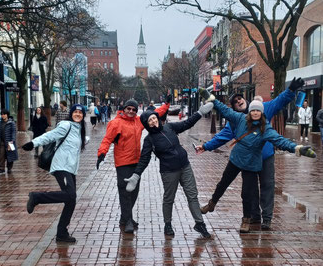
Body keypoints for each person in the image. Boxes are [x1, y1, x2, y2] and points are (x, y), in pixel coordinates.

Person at [197, 78, 304, 230]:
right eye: (235, 101)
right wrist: (206, 146)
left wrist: (291, 90)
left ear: (246, 100)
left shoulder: (264, 109)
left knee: (267, 186)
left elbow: (280, 102)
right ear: (235, 107)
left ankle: (266, 219)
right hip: (245, 160)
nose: (238, 101)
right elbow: (221, 136)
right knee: (250, 190)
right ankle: (253, 217)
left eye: (240, 98)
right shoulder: (236, 120)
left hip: (265, 157)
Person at [124, 103, 214, 238]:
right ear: (147, 124)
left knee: (192, 195)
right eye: (150, 120)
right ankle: (167, 224)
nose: (153, 121)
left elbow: (186, 124)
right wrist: (136, 175)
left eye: (154, 118)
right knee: (169, 199)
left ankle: (199, 223)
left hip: (185, 166)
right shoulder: (149, 140)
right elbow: (144, 159)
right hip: (169, 171)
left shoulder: (169, 127)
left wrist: (199, 113)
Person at [96, 98, 170, 233]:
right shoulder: (115, 123)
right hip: (123, 163)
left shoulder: (138, 121)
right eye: (128, 109)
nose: (131, 111)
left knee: (134, 192)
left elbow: (156, 113)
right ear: (124, 109)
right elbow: (107, 139)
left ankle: (125, 217)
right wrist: (101, 153)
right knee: (125, 192)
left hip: (136, 162)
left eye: (133, 110)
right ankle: (128, 220)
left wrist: (167, 104)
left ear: (136, 111)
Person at [22, 104, 87, 243]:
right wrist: (33, 143)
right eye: (75, 112)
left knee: (71, 200)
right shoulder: (66, 125)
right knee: (70, 195)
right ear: (71, 113)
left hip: (71, 169)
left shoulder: (80, 129)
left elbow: (76, 144)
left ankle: (62, 233)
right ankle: (36, 197)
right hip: (61, 166)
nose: (78, 114)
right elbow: (50, 136)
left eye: (80, 113)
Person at [0, 109, 18, 174]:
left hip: (10, 142)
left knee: (10, 155)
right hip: (1, 142)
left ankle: (9, 168)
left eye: (4, 114)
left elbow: (13, 132)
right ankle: (2, 168)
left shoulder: (11, 123)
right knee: (1, 155)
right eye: (2, 114)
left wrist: (12, 141)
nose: (3, 115)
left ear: (7, 115)